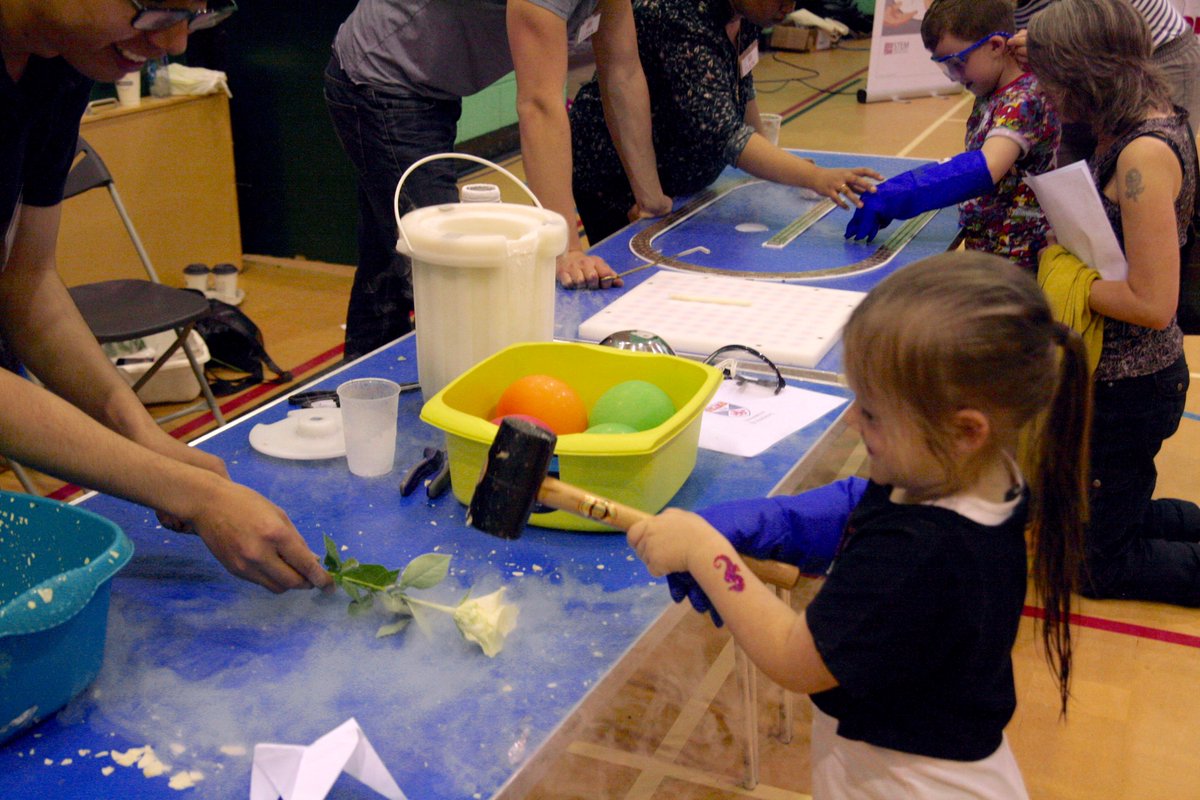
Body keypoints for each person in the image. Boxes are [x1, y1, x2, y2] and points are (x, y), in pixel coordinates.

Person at [628, 252, 1090, 798]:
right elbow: (878, 508)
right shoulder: (983, 473)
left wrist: (707, 552)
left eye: (870, 412)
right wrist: (791, 522)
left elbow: (794, 659)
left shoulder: (918, 553)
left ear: (966, 430)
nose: (851, 421)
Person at [0, 0, 331, 595]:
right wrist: (187, 491)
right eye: (155, 9)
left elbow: (24, 287)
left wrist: (140, 434)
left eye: (200, 13)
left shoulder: (62, 57)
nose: (176, 42)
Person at [326, 0, 672, 360]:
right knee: (447, 273)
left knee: (387, 265)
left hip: (427, 83)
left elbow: (623, 72)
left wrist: (650, 197)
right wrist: (565, 248)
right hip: (382, 76)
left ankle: (360, 391)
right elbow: (540, 106)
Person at [1027, 0, 1200, 606]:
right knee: (1106, 512)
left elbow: (1154, 303)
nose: (1040, 90)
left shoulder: (1143, 156)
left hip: (1133, 383)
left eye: (1048, 75)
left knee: (1097, 567)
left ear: (1082, 72)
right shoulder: (1117, 123)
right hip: (1115, 377)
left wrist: (1058, 281)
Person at [568, 0, 883, 245]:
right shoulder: (677, 17)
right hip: (615, 179)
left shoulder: (745, 14)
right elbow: (725, 135)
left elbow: (742, 85)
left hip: (677, 184)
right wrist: (814, 176)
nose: (788, 8)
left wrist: (781, 166)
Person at [844, 0, 1060, 273]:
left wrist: (898, 193)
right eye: (945, 67)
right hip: (992, 253)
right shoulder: (990, 90)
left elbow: (985, 167)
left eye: (957, 63)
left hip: (1021, 262)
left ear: (995, 46)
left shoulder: (1025, 99)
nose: (953, 77)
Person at [1010, 0, 1200, 163]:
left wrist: (1044, 44)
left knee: (1148, 155)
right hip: (1082, 64)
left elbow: (1103, 21)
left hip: (1152, 54)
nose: (1038, 91)